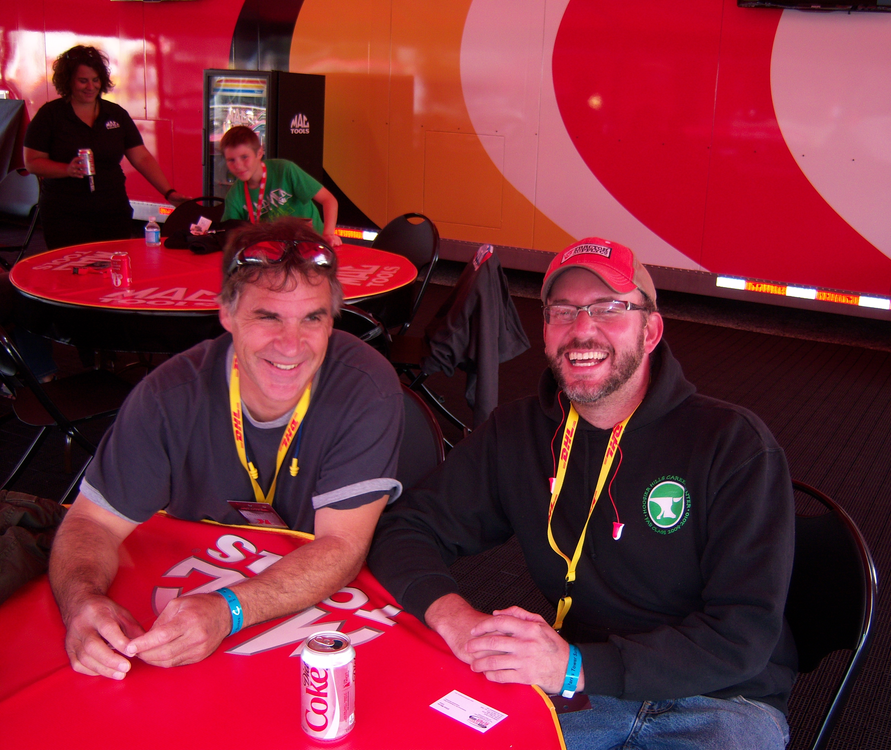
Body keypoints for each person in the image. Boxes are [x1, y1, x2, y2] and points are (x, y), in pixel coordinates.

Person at [368, 237, 797, 749]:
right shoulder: (518, 433)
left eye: (610, 308)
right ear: (546, 332)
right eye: (563, 311)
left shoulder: (732, 444)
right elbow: (406, 527)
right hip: (581, 689)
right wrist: (457, 620)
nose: (582, 329)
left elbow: (742, 633)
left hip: (721, 700)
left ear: (651, 329)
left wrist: (574, 665)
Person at [49, 218, 404, 680]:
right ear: (227, 314)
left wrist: (228, 610)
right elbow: (91, 521)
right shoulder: (168, 395)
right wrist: (82, 602)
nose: (291, 345)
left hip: (319, 616)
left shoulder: (365, 385)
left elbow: (342, 547)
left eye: (312, 318)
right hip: (193, 597)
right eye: (268, 316)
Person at [23, 45, 189, 250]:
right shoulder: (50, 115)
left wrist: (168, 192)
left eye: (95, 80)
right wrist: (66, 169)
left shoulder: (115, 114)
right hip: (65, 212)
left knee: (113, 265)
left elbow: (141, 158)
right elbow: (32, 162)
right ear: (68, 81)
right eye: (83, 80)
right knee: (71, 272)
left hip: (112, 209)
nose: (90, 86)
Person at [219, 125, 342, 247]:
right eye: (231, 160)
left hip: (312, 245)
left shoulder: (285, 170)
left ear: (259, 153)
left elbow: (329, 200)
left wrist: (328, 234)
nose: (238, 165)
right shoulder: (235, 194)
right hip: (275, 253)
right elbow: (229, 232)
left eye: (244, 157)